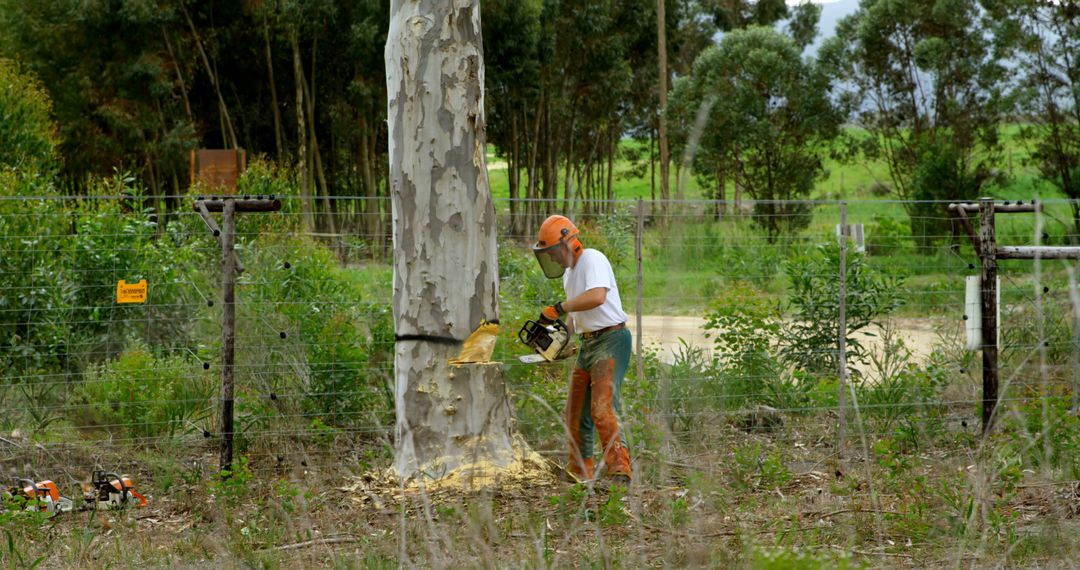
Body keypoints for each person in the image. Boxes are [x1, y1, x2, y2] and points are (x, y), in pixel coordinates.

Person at [532, 214, 632, 485]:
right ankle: (579, 473)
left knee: (601, 407)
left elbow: (597, 296)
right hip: (589, 344)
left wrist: (560, 307)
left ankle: (620, 469)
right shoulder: (569, 274)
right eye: (548, 254)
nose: (552, 258)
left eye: (553, 251)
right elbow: (576, 314)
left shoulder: (592, 259)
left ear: (568, 243)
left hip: (612, 340)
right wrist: (561, 337)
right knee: (575, 412)